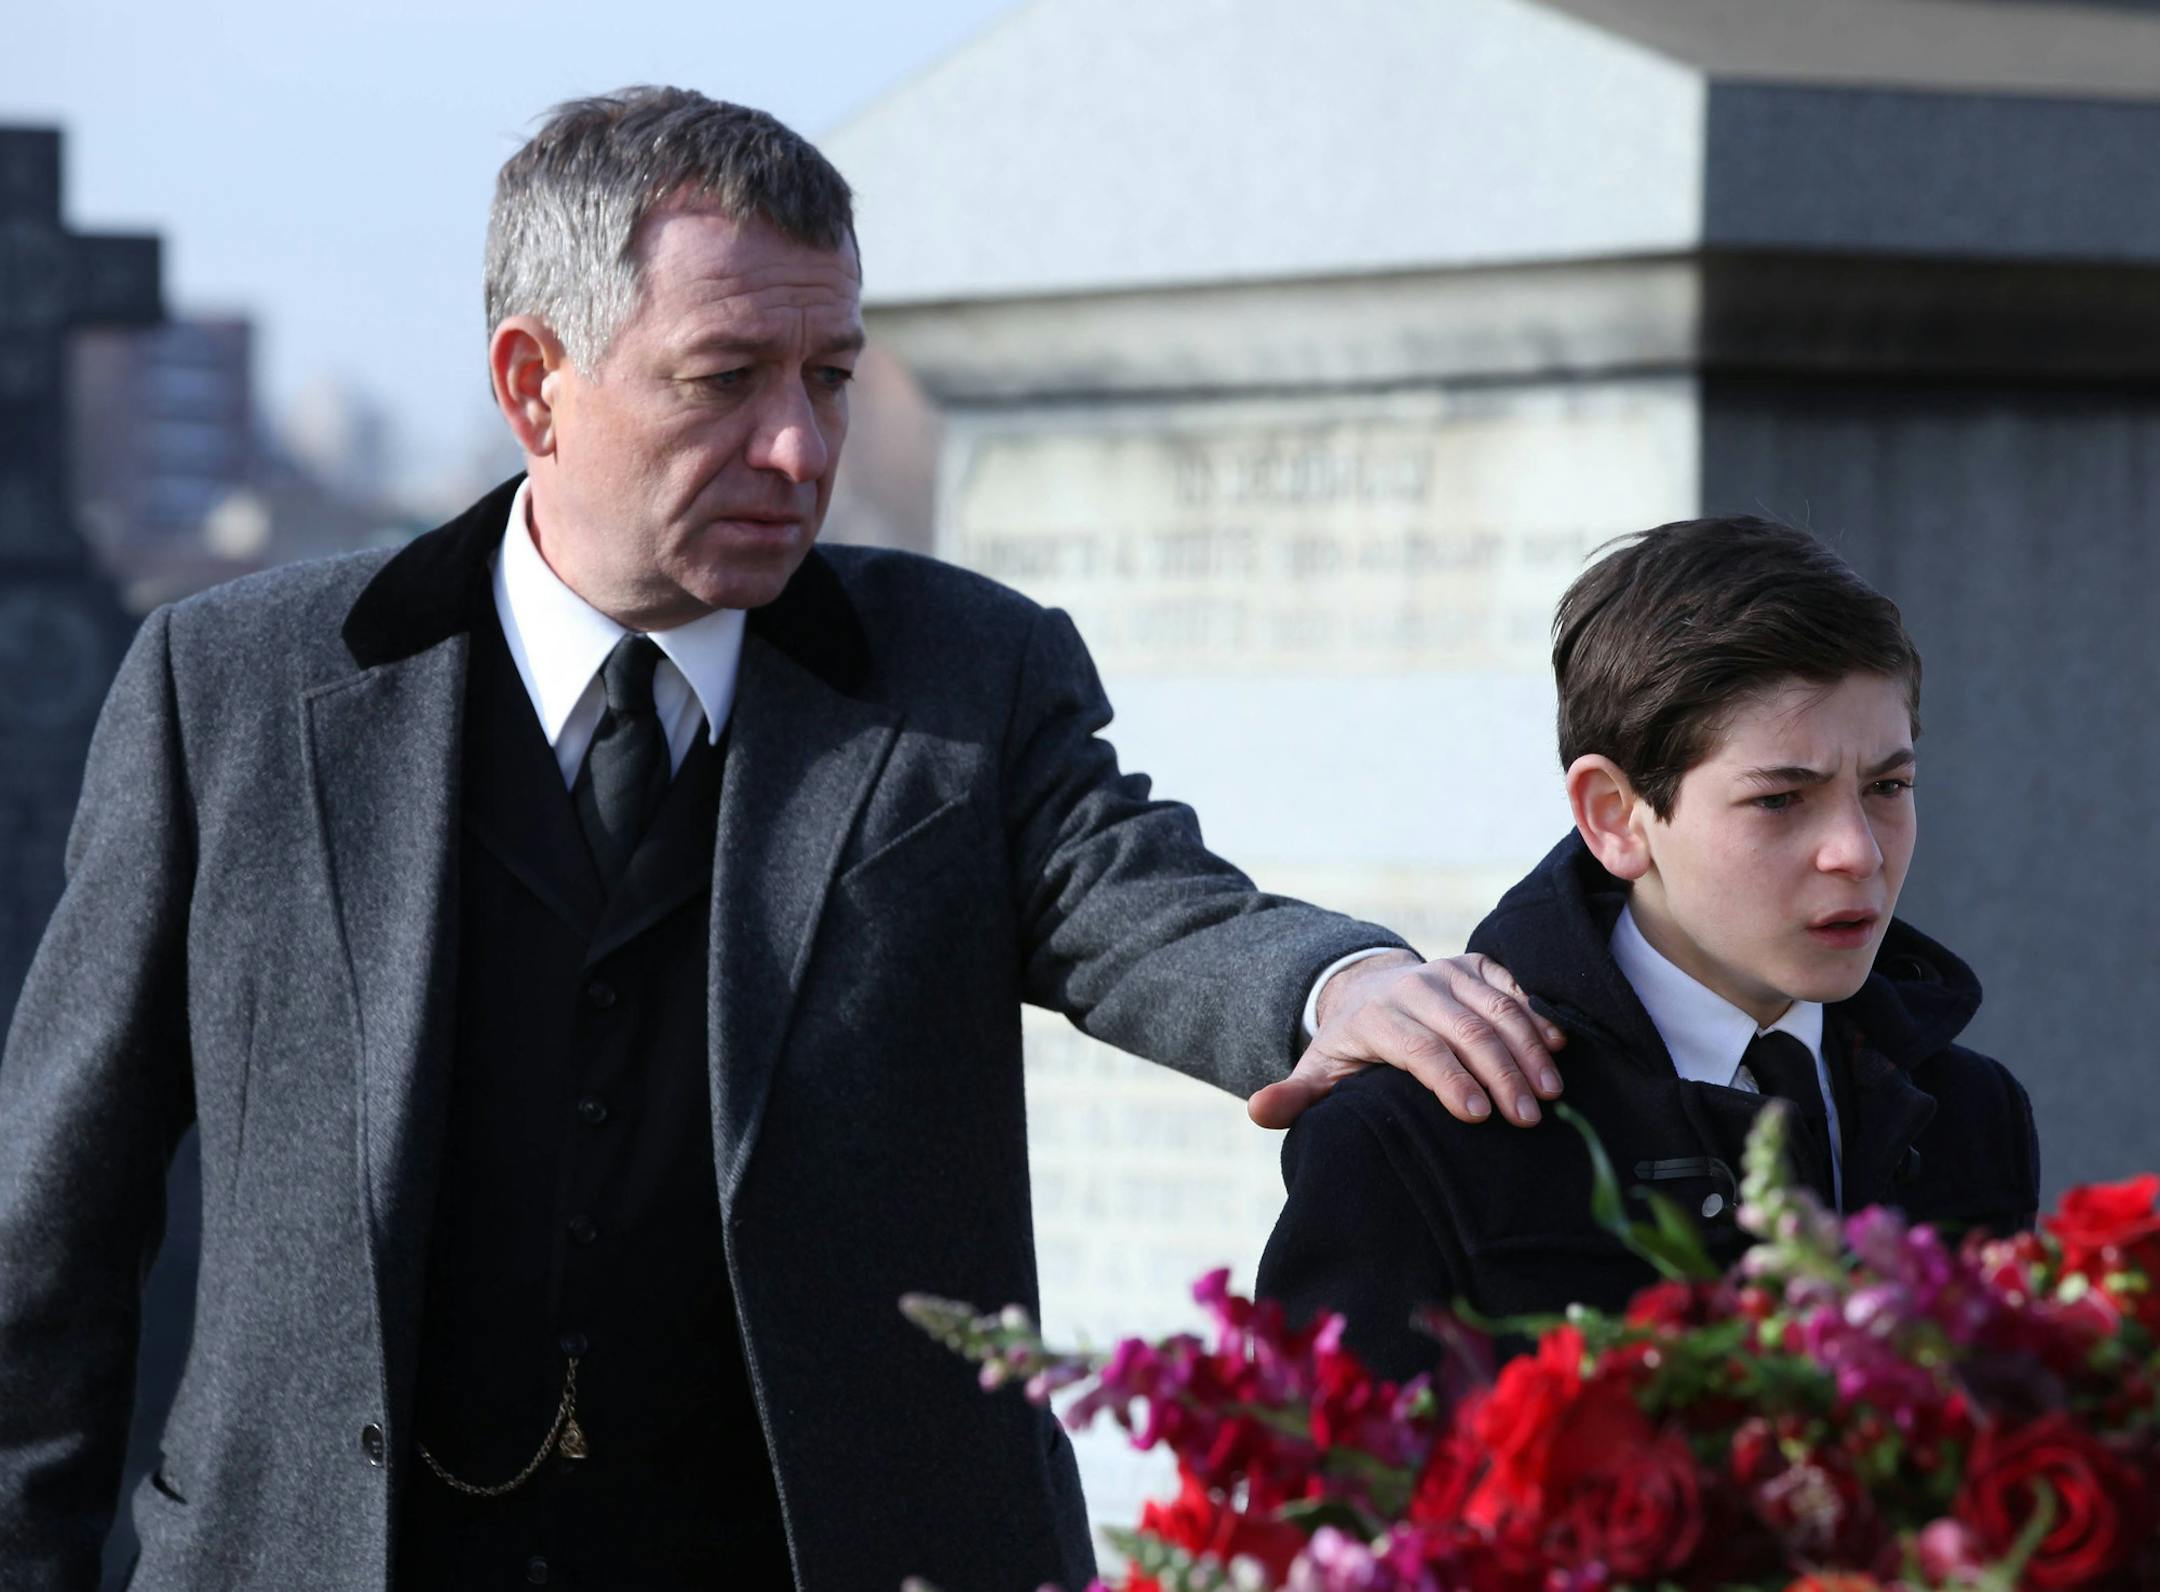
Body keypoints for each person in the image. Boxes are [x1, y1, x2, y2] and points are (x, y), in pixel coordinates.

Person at [0, 90, 1566, 1592]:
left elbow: (1136, 892)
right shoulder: (242, 690)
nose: (801, 451)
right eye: (724, 376)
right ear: (532, 381)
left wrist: (1335, 987)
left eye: (829, 377)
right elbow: (53, 1218)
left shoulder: (964, 675)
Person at [1259, 516, 2040, 1383]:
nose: (1858, 850)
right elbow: (1333, 1495)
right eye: (1781, 799)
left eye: (1888, 786)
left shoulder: (1972, 1116)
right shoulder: (1418, 1137)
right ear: (1613, 817)